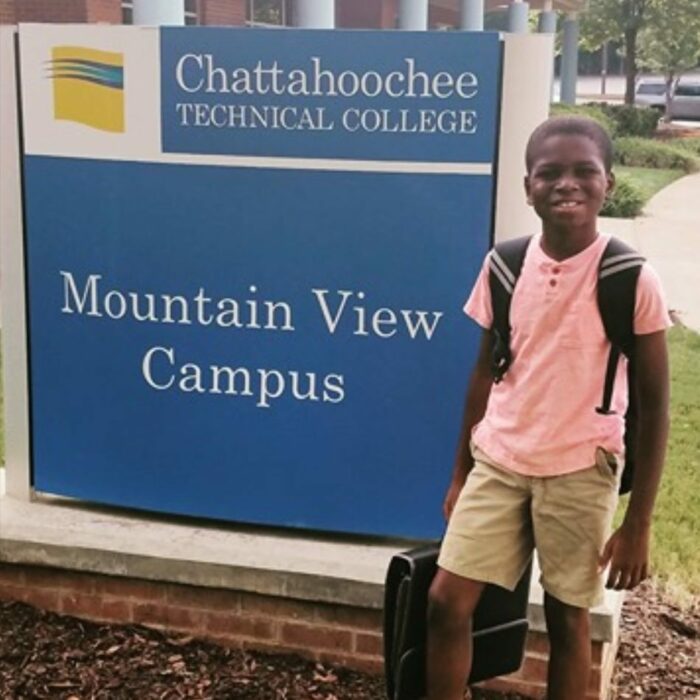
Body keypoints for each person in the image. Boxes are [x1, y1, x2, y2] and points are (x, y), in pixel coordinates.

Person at [426, 116, 671, 700]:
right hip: (502, 461)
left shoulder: (630, 277)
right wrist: (461, 474)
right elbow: (485, 374)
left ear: (607, 182)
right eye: (550, 173)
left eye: (584, 172)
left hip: (580, 470)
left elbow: (658, 408)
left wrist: (638, 524)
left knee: (566, 621)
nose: (568, 184)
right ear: (526, 186)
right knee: (444, 602)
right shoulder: (505, 265)